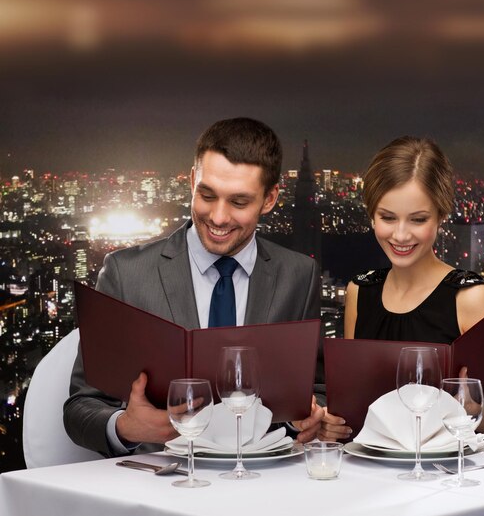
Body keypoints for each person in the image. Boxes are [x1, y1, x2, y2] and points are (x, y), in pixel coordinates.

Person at [64, 117, 324, 457]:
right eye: (207, 194)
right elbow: (80, 407)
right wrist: (125, 427)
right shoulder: (126, 274)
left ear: (270, 199)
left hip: (263, 485)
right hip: (161, 489)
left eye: (239, 202)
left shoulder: (299, 275)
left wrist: (310, 417)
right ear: (191, 181)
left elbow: (316, 390)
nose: (218, 217)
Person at [319, 136, 484, 454]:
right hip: (379, 472)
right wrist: (334, 423)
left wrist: (472, 412)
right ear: (371, 215)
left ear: (441, 217)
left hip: (455, 475)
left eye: (418, 219)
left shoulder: (470, 298)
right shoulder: (359, 292)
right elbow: (354, 411)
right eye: (387, 217)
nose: (400, 235)